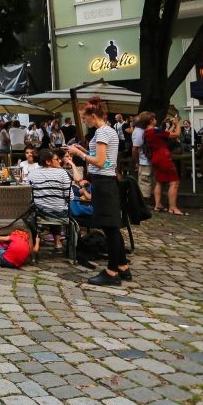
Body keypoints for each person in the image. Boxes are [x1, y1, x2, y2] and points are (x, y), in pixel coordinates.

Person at [64, 96, 131, 286]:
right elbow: (103, 158)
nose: (84, 122)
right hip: (106, 181)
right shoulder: (106, 131)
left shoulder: (102, 133)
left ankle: (111, 272)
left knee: (109, 228)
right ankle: (123, 267)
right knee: (111, 227)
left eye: (85, 119)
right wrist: (84, 149)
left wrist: (79, 154)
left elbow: (100, 162)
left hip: (104, 182)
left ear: (93, 116)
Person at [27, 149, 72, 253]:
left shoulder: (32, 174)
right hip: (60, 214)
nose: (60, 161)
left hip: (40, 214)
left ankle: (37, 238)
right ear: (48, 162)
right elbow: (70, 197)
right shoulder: (62, 173)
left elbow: (29, 195)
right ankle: (57, 242)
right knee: (57, 207)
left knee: (45, 207)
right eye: (57, 159)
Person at [144, 113, 184, 215]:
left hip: (155, 157)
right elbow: (176, 134)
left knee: (159, 182)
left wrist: (172, 126)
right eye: (154, 118)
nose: (156, 120)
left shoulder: (147, 132)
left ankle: (158, 205)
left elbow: (165, 134)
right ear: (151, 120)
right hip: (164, 157)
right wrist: (177, 124)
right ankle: (173, 207)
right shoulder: (155, 130)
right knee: (174, 182)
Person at [131, 113, 154, 205]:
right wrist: (137, 162)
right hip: (144, 161)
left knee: (149, 182)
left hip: (148, 161)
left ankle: (149, 202)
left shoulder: (143, 130)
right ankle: (144, 203)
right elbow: (134, 149)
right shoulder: (139, 132)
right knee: (145, 182)